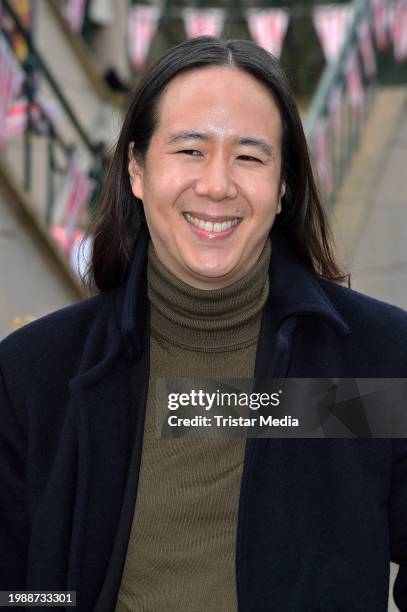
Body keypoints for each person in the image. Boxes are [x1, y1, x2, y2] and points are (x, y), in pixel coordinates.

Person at [0, 36, 407, 612]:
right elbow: (17, 590)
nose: (217, 185)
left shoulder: (378, 361)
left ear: (283, 185)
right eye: (190, 150)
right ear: (137, 169)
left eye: (249, 156)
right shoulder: (33, 375)